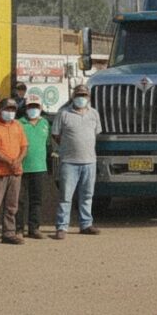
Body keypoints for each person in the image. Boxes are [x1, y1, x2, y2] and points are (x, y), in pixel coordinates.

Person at [53, 84, 102, 239]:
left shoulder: (94, 114)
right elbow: (55, 134)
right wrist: (68, 146)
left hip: (89, 161)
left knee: (87, 195)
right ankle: (62, 227)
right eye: (78, 95)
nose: (81, 98)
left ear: (88, 98)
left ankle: (86, 224)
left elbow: (96, 133)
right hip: (69, 162)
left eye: (84, 95)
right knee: (66, 197)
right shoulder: (63, 114)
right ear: (73, 97)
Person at [0, 97, 28, 249]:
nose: (10, 112)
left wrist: (18, 161)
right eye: (7, 109)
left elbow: (24, 146)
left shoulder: (18, 125)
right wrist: (10, 161)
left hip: (15, 172)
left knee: (12, 205)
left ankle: (9, 233)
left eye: (12, 109)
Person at [16, 95, 50, 239]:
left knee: (36, 200)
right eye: (30, 106)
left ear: (41, 108)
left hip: (39, 167)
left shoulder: (45, 123)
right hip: (21, 167)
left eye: (36, 106)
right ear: (26, 108)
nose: (33, 109)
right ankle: (18, 229)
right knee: (19, 200)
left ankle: (34, 228)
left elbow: (48, 144)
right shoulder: (19, 123)